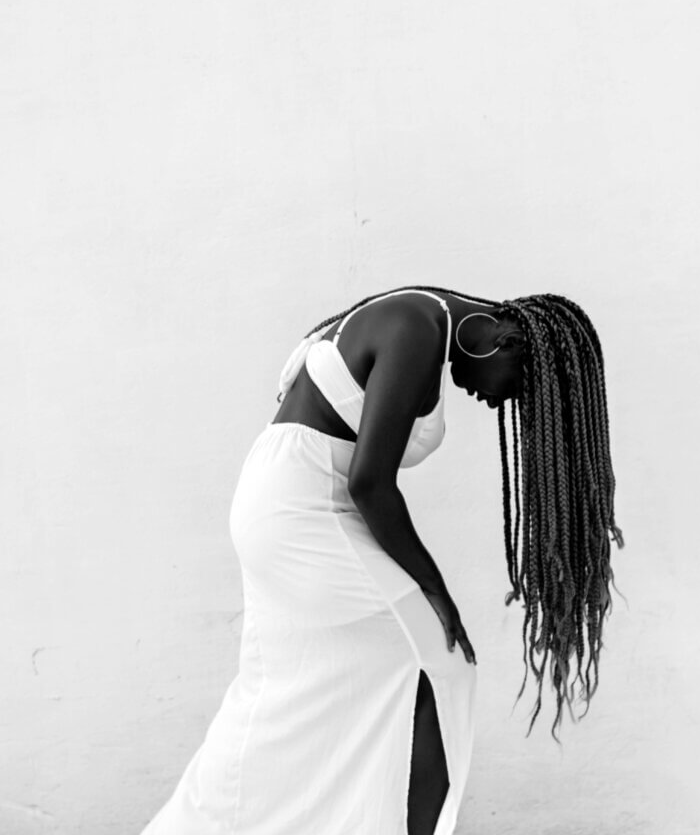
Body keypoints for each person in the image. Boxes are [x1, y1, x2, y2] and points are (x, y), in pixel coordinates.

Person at [139, 284, 624, 835]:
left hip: (289, 499)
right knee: (439, 668)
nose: (501, 403)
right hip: (309, 509)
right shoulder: (416, 327)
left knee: (296, 695)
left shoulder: (417, 316)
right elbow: (370, 482)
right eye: (521, 387)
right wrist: (435, 589)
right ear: (508, 341)